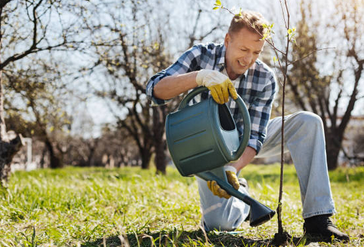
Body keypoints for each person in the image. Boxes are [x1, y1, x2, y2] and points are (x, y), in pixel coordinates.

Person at [146, 11, 349, 242]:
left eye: (256, 52)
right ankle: (241, 194)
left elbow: (255, 136)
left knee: (308, 122)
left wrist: (233, 168)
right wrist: (200, 77)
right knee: (218, 224)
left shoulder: (265, 78)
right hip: (208, 148)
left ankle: (318, 220)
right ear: (227, 40)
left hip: (243, 141)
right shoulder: (200, 55)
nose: (248, 59)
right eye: (243, 50)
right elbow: (155, 90)